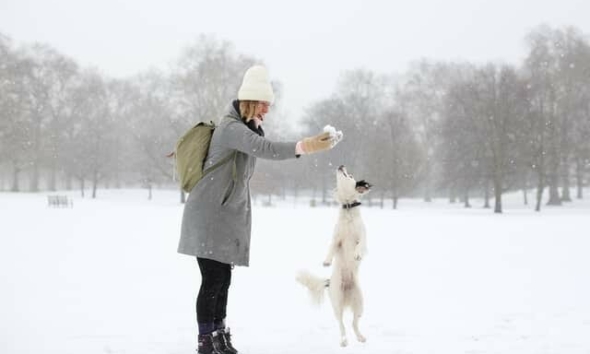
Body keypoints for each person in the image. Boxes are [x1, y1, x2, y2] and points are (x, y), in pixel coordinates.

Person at [177, 65, 342, 354]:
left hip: (223, 216)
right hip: (208, 215)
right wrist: (308, 145)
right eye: (265, 105)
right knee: (213, 280)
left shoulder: (245, 128)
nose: (266, 112)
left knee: (223, 280)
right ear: (251, 101)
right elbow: (266, 149)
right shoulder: (231, 129)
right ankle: (206, 340)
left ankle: (219, 334)